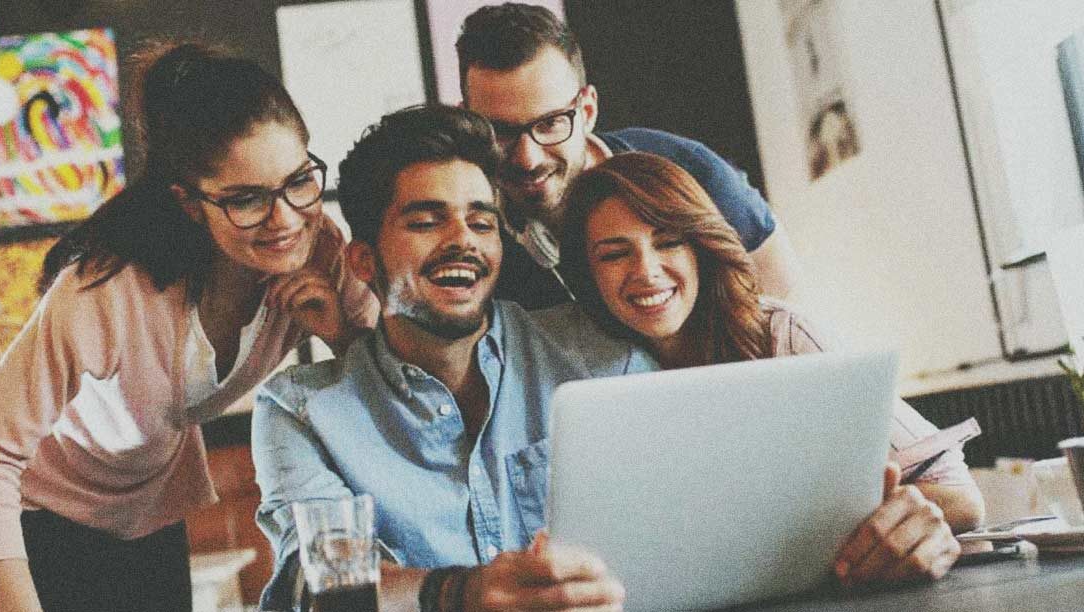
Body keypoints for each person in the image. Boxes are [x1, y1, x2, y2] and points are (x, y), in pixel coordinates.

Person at [0, 42, 378, 612]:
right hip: (43, 516)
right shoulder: (104, 293)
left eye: (299, 181)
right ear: (190, 203)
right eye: (247, 199)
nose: (286, 219)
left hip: (149, 513)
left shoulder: (322, 250)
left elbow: (396, 393)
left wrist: (341, 333)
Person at [252, 105, 630, 612]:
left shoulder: (595, 356)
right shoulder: (300, 411)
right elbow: (318, 588)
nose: (463, 241)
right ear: (363, 260)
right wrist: (459, 593)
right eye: (427, 222)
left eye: (481, 222)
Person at [557, 151, 986, 585]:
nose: (646, 272)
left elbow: (962, 498)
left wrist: (898, 525)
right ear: (588, 273)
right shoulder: (580, 373)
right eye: (614, 254)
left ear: (701, 246)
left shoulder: (783, 334)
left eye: (668, 242)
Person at [455, 2, 801, 309]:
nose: (528, 158)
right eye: (500, 132)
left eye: (550, 123)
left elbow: (781, 300)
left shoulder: (687, 169)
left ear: (587, 110)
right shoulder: (466, 229)